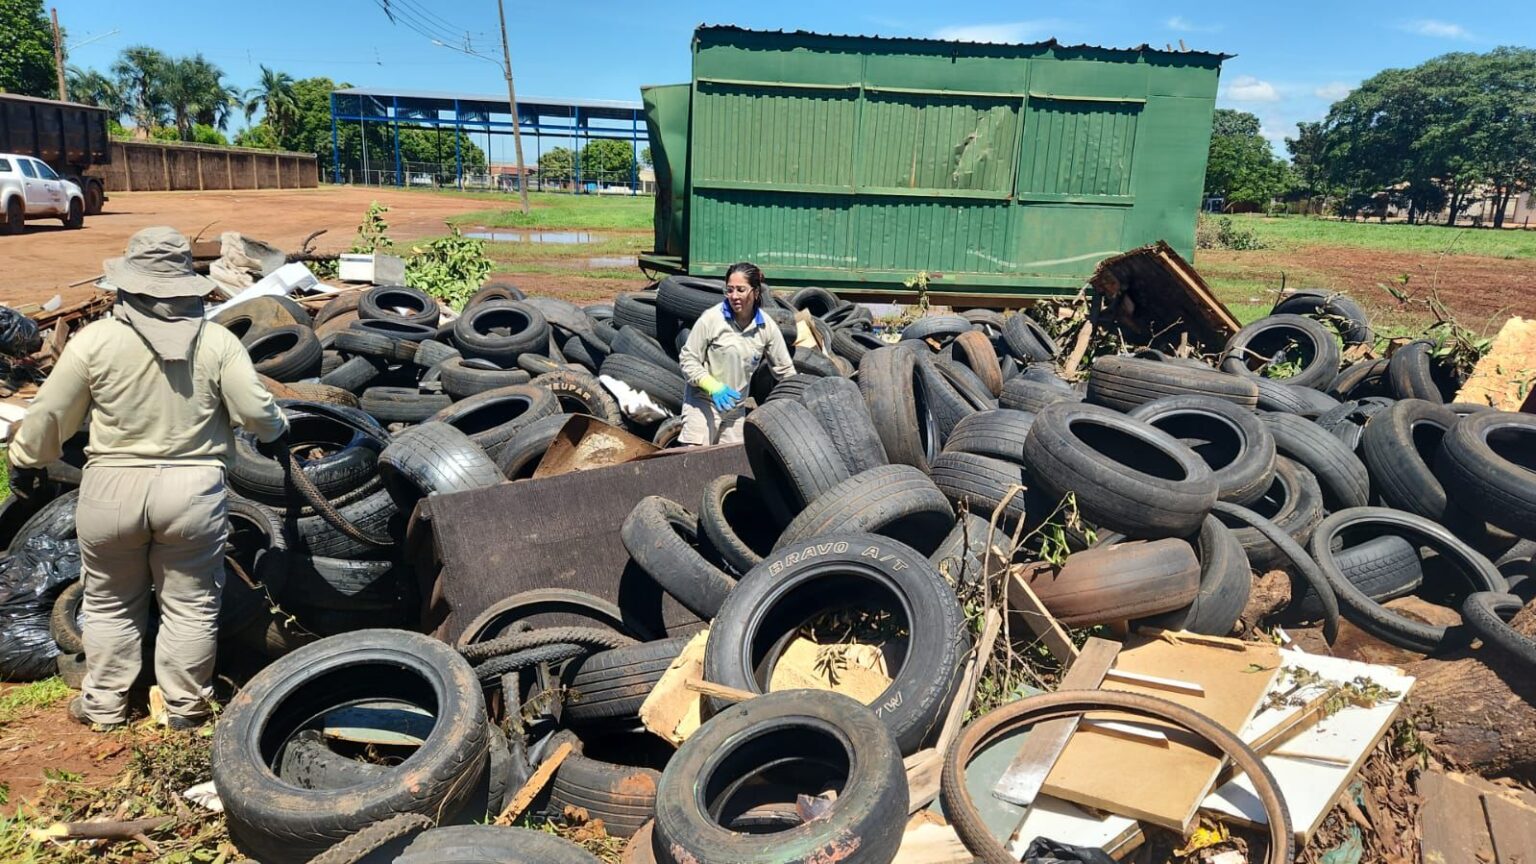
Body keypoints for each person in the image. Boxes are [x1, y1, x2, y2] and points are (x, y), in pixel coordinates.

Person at [8, 226, 288, 731]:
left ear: (127, 284)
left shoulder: (95, 341)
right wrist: (278, 428)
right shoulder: (217, 342)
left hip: (111, 490)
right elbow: (258, 414)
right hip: (191, 492)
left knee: (110, 602)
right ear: (187, 284)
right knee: (190, 605)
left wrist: (26, 460)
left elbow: (49, 417)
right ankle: (185, 711)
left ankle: (104, 707)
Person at [676, 262, 796, 446]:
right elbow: (688, 359)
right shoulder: (711, 319)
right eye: (729, 290)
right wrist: (713, 386)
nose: (734, 296)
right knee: (694, 463)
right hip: (703, 403)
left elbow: (785, 371)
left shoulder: (766, 327)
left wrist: (798, 400)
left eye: (741, 290)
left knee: (732, 466)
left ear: (755, 293)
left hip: (735, 411)